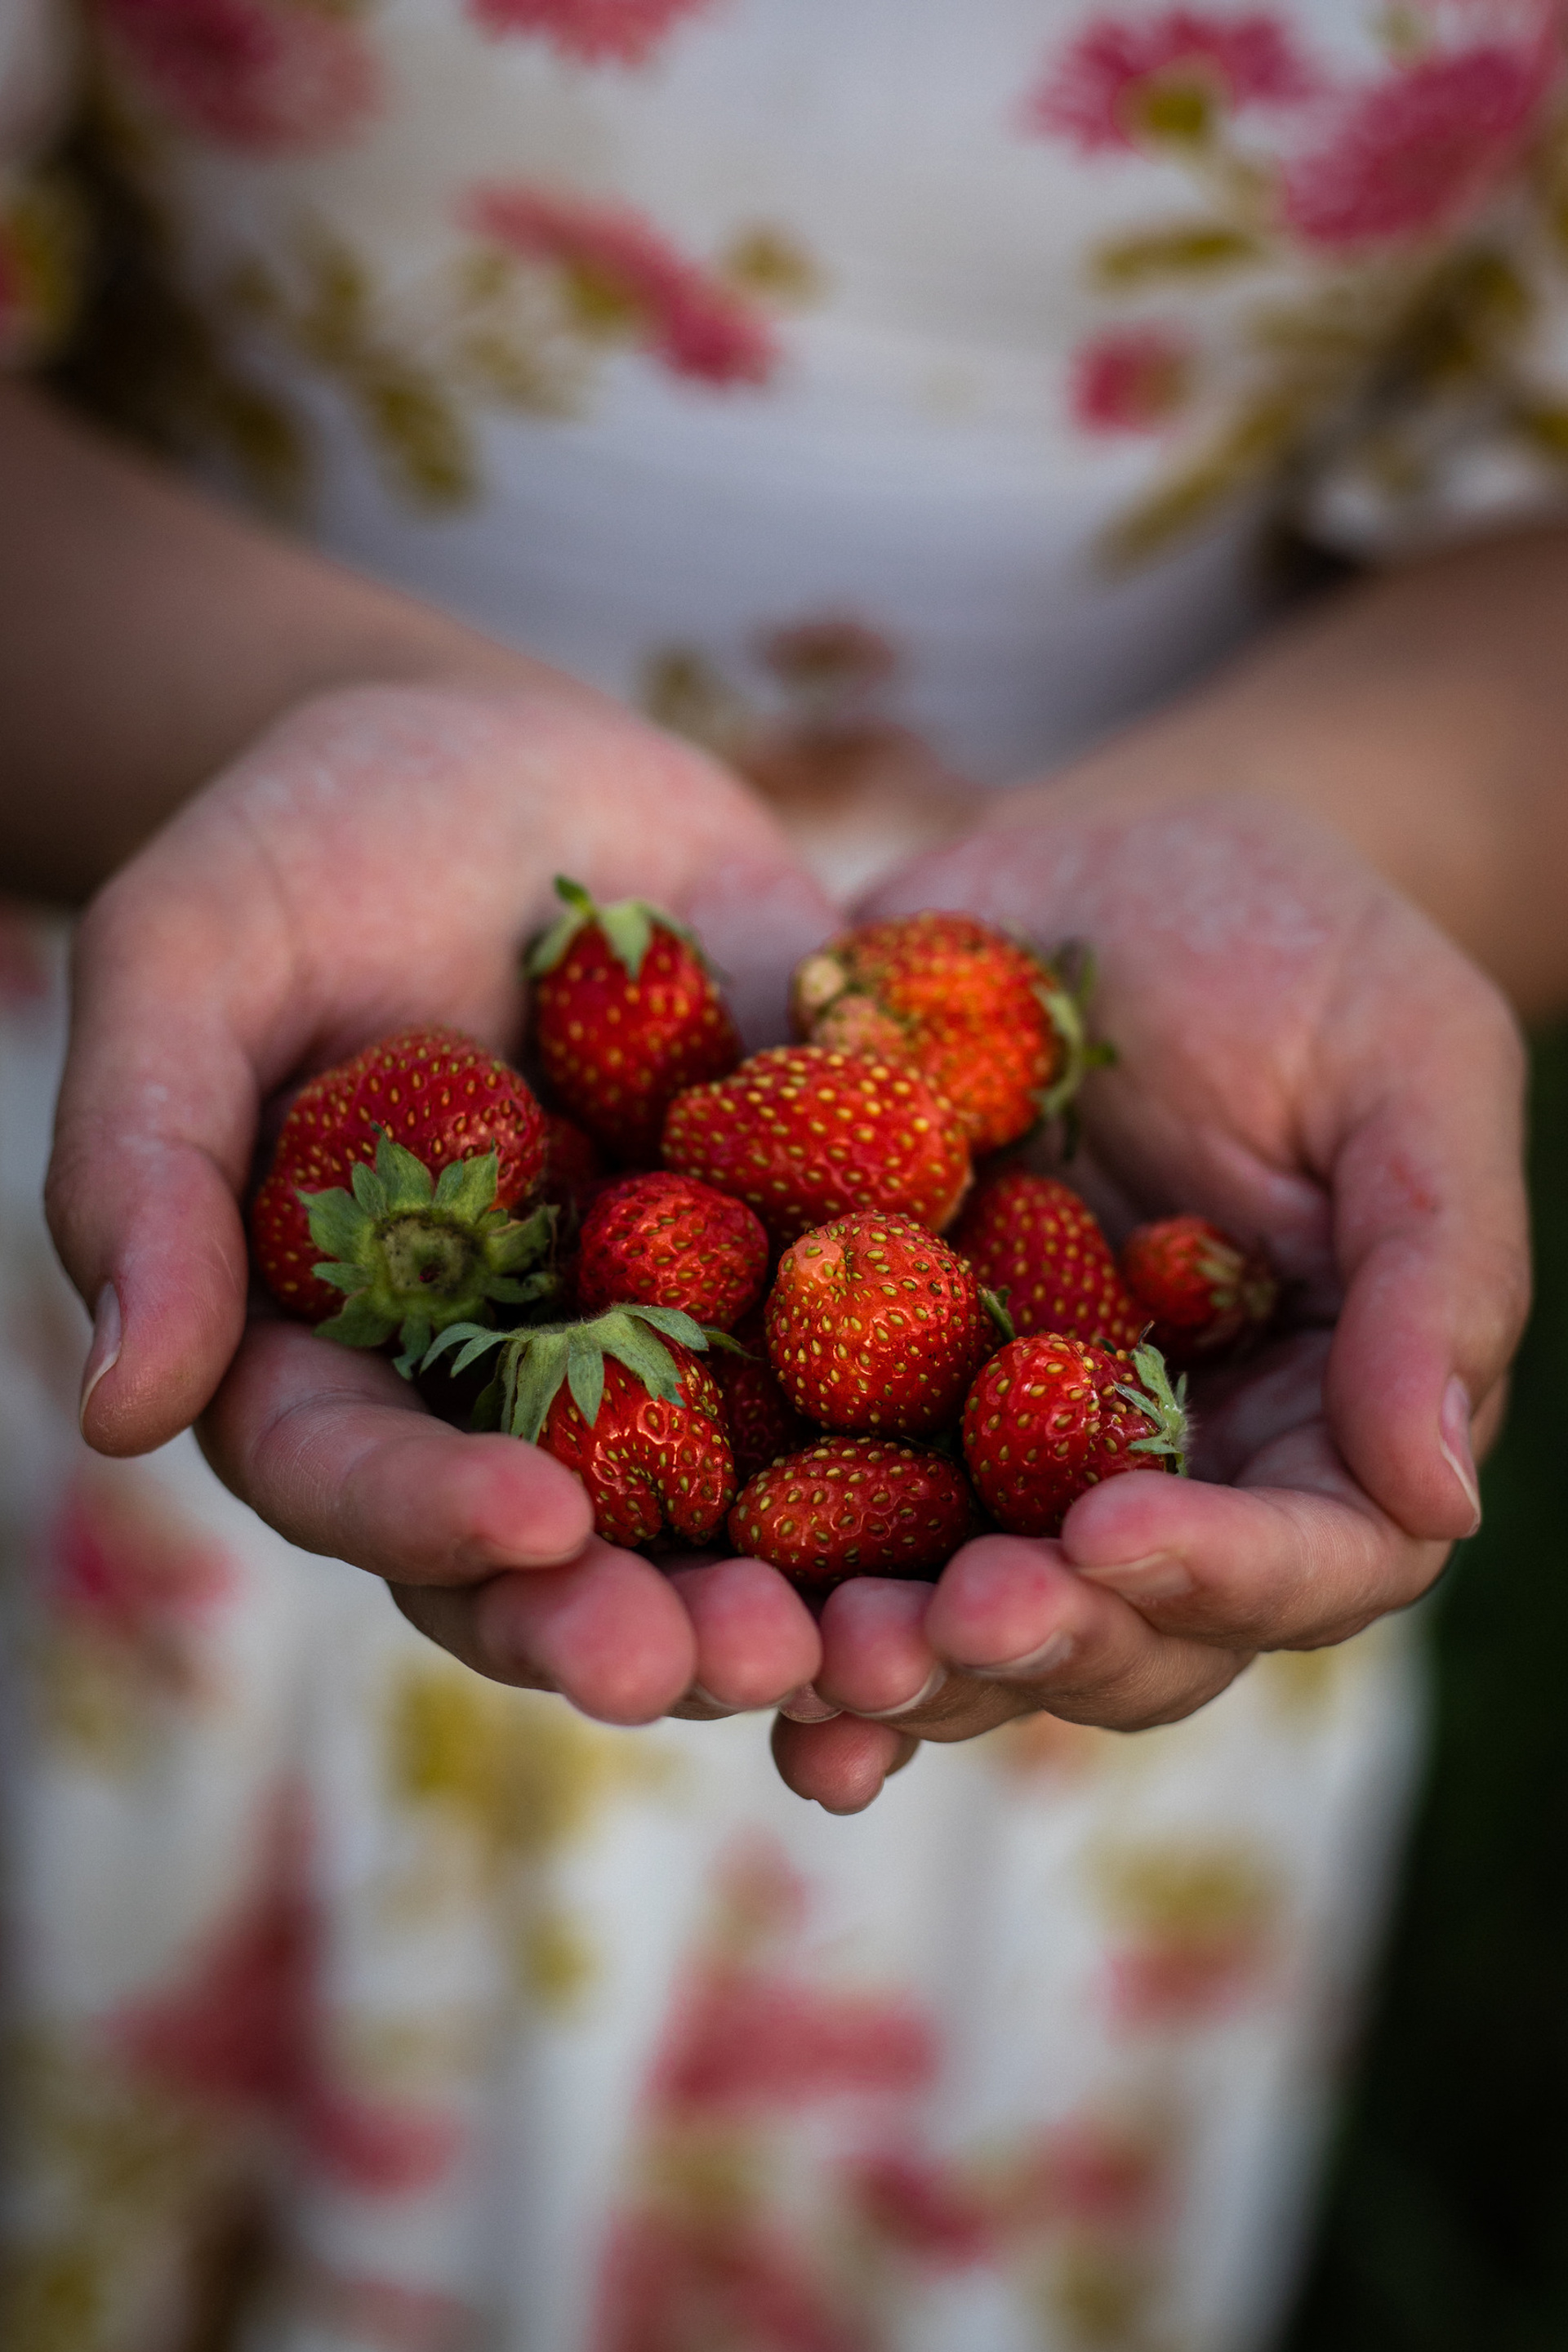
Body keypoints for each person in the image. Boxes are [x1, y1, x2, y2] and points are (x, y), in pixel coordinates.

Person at [0, 0, 1556, 2344]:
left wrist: (1359, 838)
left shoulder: (977, 1259)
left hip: (1108, 1075)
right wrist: (276, 723)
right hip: (220, 1009)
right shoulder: (702, 1200)